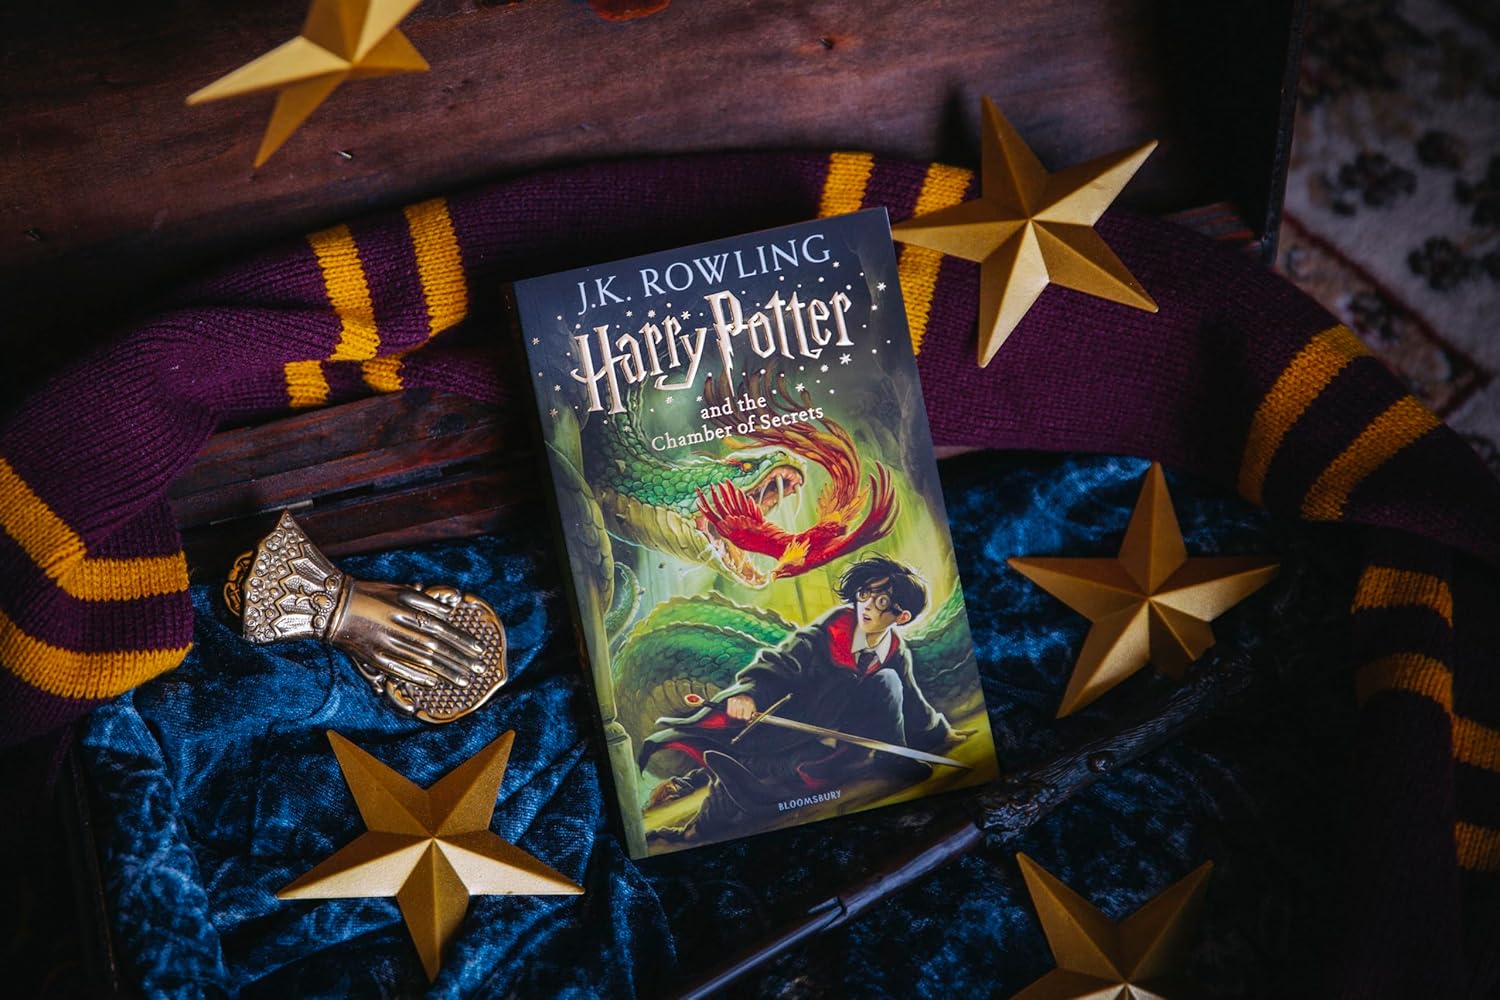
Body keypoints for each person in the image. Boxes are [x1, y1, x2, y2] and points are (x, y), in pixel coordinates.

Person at [641, 555, 965, 843]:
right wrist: (747, 693)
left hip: (846, 742)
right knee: (752, 778)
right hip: (796, 735)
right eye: (864, 594)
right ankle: (696, 830)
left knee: (889, 681)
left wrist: (940, 732)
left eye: (880, 601)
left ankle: (891, 758)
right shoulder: (823, 636)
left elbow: (910, 700)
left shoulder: (895, 652)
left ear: (901, 617)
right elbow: (780, 663)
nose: (866, 605)